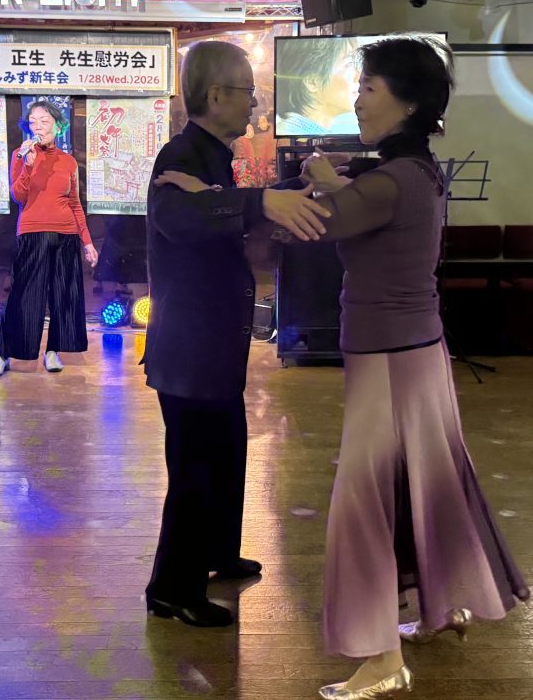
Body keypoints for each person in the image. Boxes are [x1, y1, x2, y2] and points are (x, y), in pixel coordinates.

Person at [296, 37, 531, 700]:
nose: (357, 101)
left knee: (364, 503)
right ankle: (444, 605)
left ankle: (380, 659)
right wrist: (334, 183)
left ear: (406, 103)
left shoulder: (391, 181)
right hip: (417, 353)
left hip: (390, 361)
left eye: (368, 88)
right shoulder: (418, 172)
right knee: (427, 486)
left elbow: (319, 221)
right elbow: (361, 208)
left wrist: (252, 194)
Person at [142, 40, 331, 628]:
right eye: (249, 92)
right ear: (217, 95)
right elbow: (181, 218)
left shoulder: (214, 159)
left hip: (213, 343)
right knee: (195, 469)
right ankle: (171, 590)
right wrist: (258, 204)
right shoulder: (179, 155)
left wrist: (275, 207)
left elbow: (221, 222)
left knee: (227, 454)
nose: (255, 104)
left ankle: (218, 554)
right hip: (189, 348)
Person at [0, 100, 99, 377]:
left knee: (64, 295)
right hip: (33, 232)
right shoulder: (20, 155)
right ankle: (3, 354)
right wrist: (27, 165)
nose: (38, 126)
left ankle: (52, 351)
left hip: (66, 235)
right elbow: (19, 196)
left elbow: (74, 204)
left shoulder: (68, 162)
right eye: (33, 122)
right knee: (24, 296)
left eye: (44, 121)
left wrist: (87, 242)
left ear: (58, 126)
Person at [275, 37, 360, 136]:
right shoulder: (289, 134)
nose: (359, 76)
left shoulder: (307, 132)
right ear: (312, 82)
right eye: (349, 64)